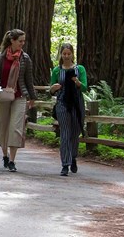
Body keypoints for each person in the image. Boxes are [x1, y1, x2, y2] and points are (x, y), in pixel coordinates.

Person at [0, 29, 37, 172]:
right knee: (2, 127)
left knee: (16, 128)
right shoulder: (1, 57)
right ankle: (4, 155)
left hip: (19, 96)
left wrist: (32, 97)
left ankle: (12, 160)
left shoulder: (25, 58)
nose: (22, 44)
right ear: (12, 41)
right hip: (3, 96)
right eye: (20, 41)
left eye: (24, 41)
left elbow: (29, 79)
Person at [49, 43, 88, 176]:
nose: (66, 56)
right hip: (62, 103)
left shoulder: (80, 69)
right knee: (65, 133)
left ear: (72, 54)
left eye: (68, 54)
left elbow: (84, 87)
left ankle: (73, 157)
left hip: (77, 104)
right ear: (61, 54)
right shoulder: (56, 70)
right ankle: (65, 164)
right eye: (64, 54)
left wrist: (77, 82)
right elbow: (51, 89)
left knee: (75, 133)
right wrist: (53, 88)